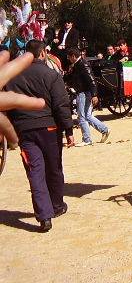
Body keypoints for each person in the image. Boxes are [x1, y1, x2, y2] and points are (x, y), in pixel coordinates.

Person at [5, 40, 74, 232]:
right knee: (54, 169)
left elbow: (7, 106)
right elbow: (61, 105)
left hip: (24, 129)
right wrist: (68, 130)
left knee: (35, 172)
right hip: (49, 127)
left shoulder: (12, 78)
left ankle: (44, 217)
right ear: (42, 53)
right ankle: (57, 206)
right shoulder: (51, 75)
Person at [66, 47, 109, 146]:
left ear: (73, 56)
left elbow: (91, 80)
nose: (68, 59)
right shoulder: (78, 64)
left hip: (83, 93)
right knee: (87, 115)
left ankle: (87, 139)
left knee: (82, 116)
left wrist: (95, 95)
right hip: (85, 92)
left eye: (69, 57)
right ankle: (104, 130)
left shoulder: (82, 64)